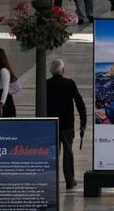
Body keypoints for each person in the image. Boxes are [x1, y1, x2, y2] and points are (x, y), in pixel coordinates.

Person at [46, 58, 87, 188]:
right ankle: (69, 180)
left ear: (50, 71)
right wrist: (83, 122)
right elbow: (80, 103)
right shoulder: (70, 83)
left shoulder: (46, 84)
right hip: (67, 125)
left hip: (51, 124)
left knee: (53, 153)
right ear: (63, 70)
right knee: (68, 153)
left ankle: (50, 180)